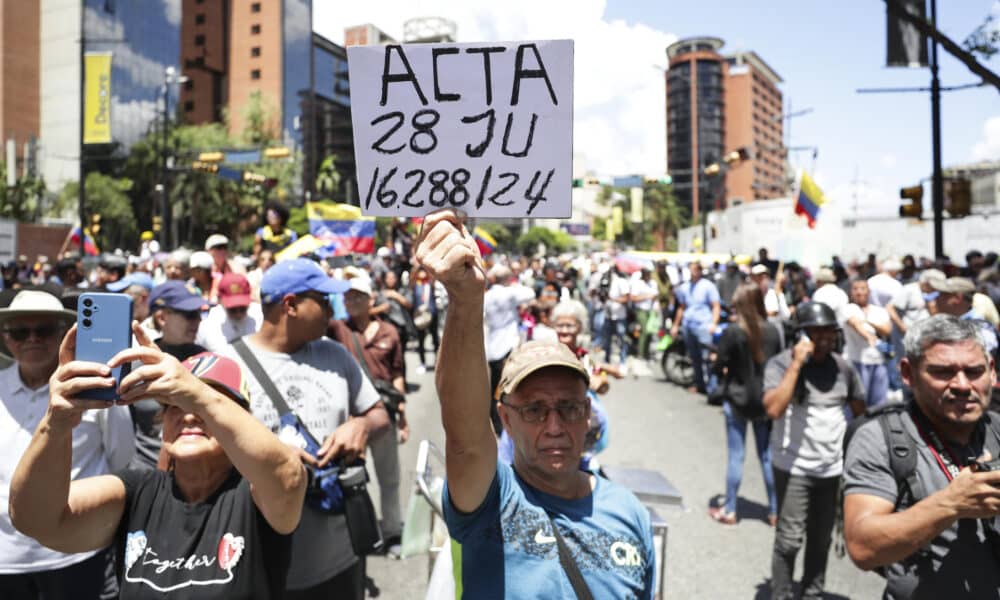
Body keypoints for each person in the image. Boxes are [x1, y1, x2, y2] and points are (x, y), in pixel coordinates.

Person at [415, 210, 654, 598]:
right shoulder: (493, 500)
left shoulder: (629, 513)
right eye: (535, 411)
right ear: (505, 419)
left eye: (569, 408)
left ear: (588, 414)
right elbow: (465, 434)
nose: (555, 427)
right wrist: (465, 298)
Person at [9, 325, 306, 599]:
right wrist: (56, 423)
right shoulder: (138, 492)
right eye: (173, 405)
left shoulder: (254, 497)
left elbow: (288, 477)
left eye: (208, 403)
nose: (188, 414)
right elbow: (36, 520)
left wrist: (195, 393)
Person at [222, 258, 389, 599]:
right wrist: (269, 460)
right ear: (291, 305)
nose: (334, 309)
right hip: (258, 564)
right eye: (324, 300)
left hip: (340, 559)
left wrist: (361, 425)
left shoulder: (336, 355)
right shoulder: (227, 366)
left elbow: (379, 415)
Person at [843, 315, 1000, 597]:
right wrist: (951, 503)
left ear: (992, 371)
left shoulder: (997, 430)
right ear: (908, 373)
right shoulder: (881, 438)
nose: (963, 385)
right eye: (943, 372)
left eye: (975, 371)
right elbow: (862, 546)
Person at [0, 290, 135, 598]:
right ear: (7, 339)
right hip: (6, 559)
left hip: (76, 553)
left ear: (64, 335)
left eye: (44, 330)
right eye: (20, 332)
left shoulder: (96, 386)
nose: (32, 339)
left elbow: (121, 459)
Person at [763, 301, 866, 600]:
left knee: (820, 540)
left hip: (831, 470)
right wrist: (797, 364)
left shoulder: (843, 368)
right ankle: (780, 594)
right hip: (793, 468)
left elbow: (860, 412)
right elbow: (773, 408)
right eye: (815, 333)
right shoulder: (781, 365)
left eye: (828, 333)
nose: (822, 339)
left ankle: (812, 592)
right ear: (800, 335)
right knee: (790, 539)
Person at [328, 278, 407, 558]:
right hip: (352, 419)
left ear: (371, 299)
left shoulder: (390, 332)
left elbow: (398, 374)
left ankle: (393, 532)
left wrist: (403, 415)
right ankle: (358, 535)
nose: (351, 301)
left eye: (357, 296)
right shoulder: (338, 329)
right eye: (347, 297)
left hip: (385, 415)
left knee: (390, 479)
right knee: (353, 479)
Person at [708, 283, 781, 526]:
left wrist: (721, 367)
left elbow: (718, 367)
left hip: (738, 399)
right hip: (764, 400)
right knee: (768, 456)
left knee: (736, 457)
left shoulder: (733, 332)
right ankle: (774, 510)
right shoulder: (772, 331)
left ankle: (730, 509)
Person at [483, 263, 537, 433]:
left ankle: (496, 424)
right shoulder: (509, 293)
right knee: (510, 387)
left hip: (493, 346)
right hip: (507, 346)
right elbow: (530, 293)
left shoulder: (487, 296)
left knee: (495, 389)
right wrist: (514, 284)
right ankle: (508, 424)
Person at [671, 261, 721, 394]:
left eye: (696, 269)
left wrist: (713, 324)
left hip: (703, 325)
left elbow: (716, 306)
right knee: (695, 358)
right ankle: (700, 385)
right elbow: (681, 307)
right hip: (689, 325)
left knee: (708, 358)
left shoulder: (708, 286)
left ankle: (712, 387)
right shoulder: (685, 287)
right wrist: (676, 325)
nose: (693, 272)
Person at [844, 278, 892, 408]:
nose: (859, 292)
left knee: (879, 403)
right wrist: (869, 337)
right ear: (851, 292)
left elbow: (887, 330)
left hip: (879, 362)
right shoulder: (848, 308)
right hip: (857, 362)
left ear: (869, 291)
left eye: (862, 288)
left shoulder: (879, 311)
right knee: (858, 401)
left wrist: (868, 322)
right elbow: (855, 324)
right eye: (855, 289)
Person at [197, 273, 262, 353]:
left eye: (243, 308)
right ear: (219, 300)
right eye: (232, 309)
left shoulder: (261, 316)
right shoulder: (207, 328)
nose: (238, 314)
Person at [412, 265, 440, 374]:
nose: (422, 273)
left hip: (432, 315)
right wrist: (417, 266)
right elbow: (412, 277)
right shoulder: (415, 284)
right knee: (421, 341)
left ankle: (437, 363)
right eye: (421, 271)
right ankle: (422, 363)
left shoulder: (431, 283)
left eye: (424, 271)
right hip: (419, 316)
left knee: (435, 341)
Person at [630, 267, 658, 360]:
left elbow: (655, 296)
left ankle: (646, 352)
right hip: (641, 310)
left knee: (650, 331)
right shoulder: (638, 283)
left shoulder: (652, 283)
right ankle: (641, 353)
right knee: (644, 331)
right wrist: (646, 296)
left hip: (650, 311)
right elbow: (633, 298)